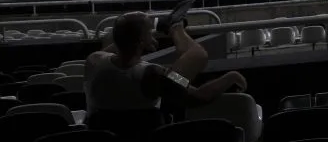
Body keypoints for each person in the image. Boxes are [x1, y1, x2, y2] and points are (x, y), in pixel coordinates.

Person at [84, 11, 246, 138]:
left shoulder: (93, 60)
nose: (153, 34)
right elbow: (198, 96)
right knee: (198, 54)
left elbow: (118, 50)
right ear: (141, 41)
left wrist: (141, 41)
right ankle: (176, 27)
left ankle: (173, 28)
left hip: (105, 132)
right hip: (143, 135)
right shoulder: (156, 74)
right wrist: (230, 77)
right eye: (150, 32)